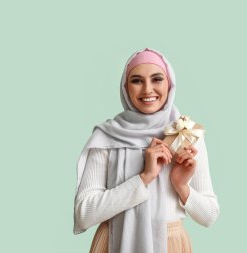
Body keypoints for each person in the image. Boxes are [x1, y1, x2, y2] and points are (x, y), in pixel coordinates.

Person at [73, 48, 220, 253]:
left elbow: (209, 215)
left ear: (170, 84)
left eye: (157, 79)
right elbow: (83, 214)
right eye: (137, 80)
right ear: (125, 87)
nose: (147, 90)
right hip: (114, 242)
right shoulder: (107, 136)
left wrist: (180, 186)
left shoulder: (186, 134)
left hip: (171, 244)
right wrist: (144, 178)